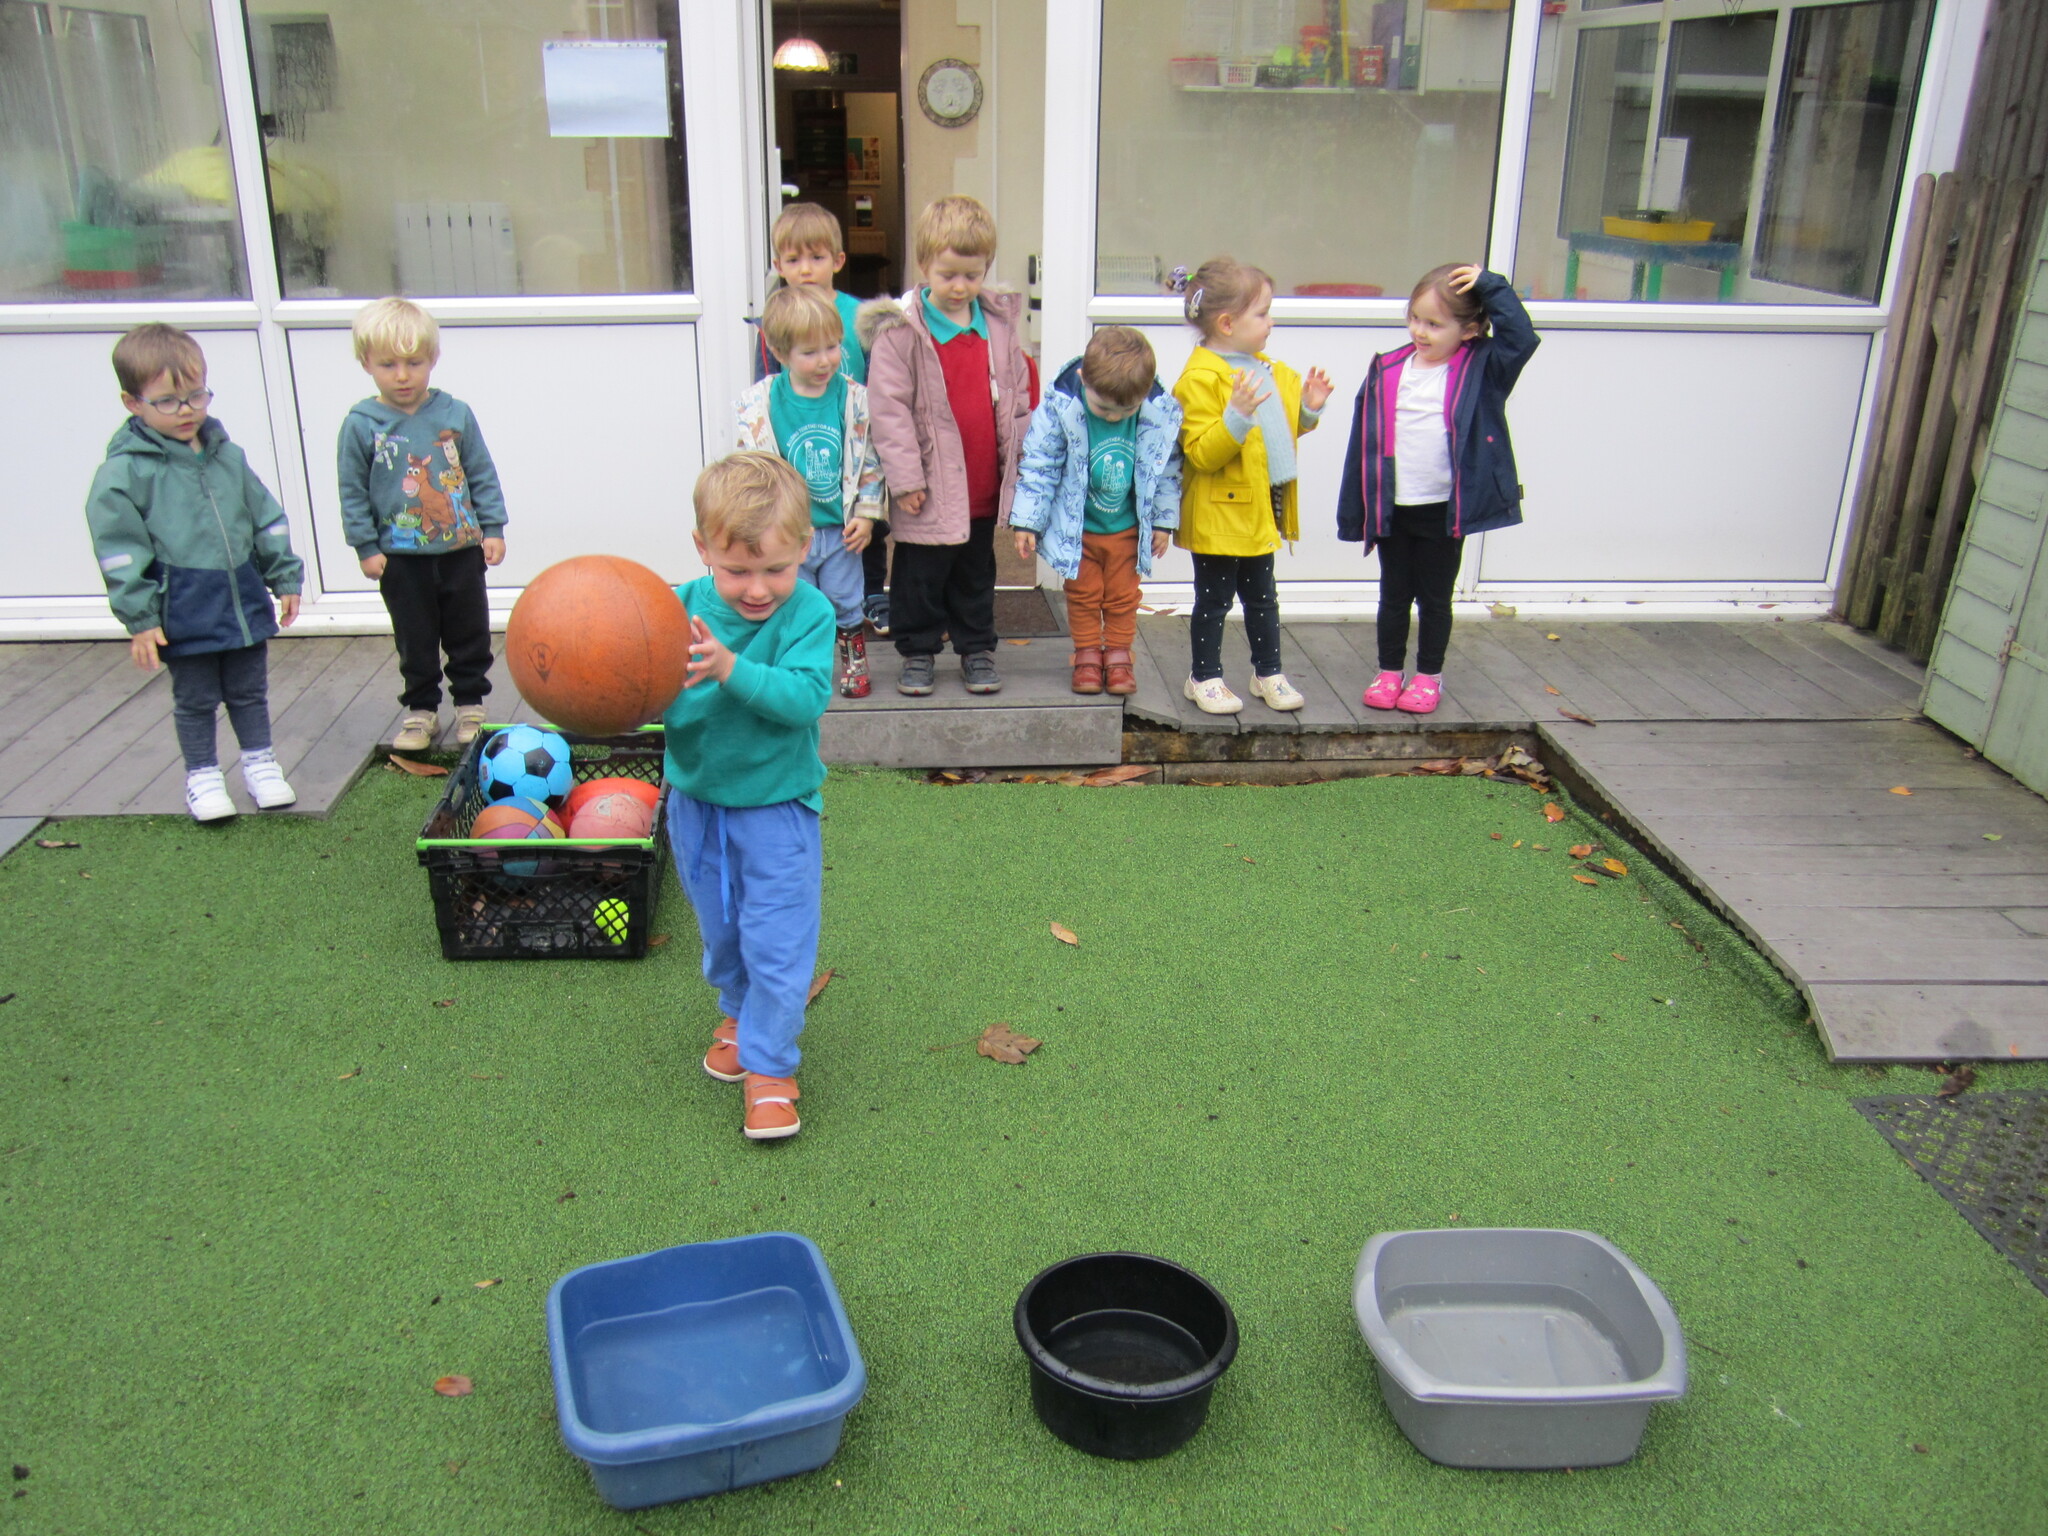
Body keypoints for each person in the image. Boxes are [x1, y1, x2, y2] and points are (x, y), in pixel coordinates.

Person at [664, 452, 836, 1142]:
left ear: (805, 546)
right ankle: (739, 1012)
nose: (758, 589)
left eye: (775, 569)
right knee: (721, 929)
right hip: (696, 801)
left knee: (777, 938)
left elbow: (804, 699)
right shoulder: (674, 608)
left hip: (776, 806)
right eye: (737, 571)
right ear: (702, 547)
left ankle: (770, 1066)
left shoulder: (809, 613)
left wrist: (730, 668)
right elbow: (645, 687)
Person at [85, 324, 304, 823]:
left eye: (196, 395)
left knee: (249, 690)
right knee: (196, 698)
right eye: (167, 401)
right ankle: (202, 776)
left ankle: (260, 764)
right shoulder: (124, 474)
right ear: (132, 403)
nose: (186, 410)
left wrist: (284, 576)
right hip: (182, 608)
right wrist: (140, 618)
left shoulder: (228, 456)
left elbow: (266, 517)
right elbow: (118, 550)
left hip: (241, 601)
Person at [1336, 264, 1538, 714]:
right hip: (1393, 508)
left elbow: (1521, 337)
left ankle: (1429, 676)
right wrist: (1358, 507)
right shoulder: (1388, 367)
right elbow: (1363, 444)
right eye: (1414, 318)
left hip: (1444, 510)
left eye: (1433, 324)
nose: (1420, 331)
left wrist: (1491, 286)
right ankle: (1389, 672)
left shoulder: (1483, 368)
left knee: (1434, 598)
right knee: (1393, 595)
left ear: (1470, 329)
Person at [865, 195, 1033, 697]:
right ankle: (917, 652)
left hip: (981, 478)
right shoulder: (901, 332)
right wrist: (905, 479)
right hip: (927, 484)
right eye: (948, 275)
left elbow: (1018, 398)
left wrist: (1020, 468)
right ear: (924, 266)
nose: (960, 286)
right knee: (919, 574)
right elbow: (889, 410)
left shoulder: (998, 326)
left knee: (975, 572)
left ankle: (976, 648)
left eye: (973, 275)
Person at [338, 297, 507, 750]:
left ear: (432, 359)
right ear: (366, 363)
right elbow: (351, 489)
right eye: (388, 364)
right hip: (400, 557)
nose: (402, 375)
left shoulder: (455, 414)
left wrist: (492, 527)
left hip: (460, 550)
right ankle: (421, 711)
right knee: (415, 637)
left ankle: (470, 705)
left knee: (469, 631)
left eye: (413, 363)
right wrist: (365, 546)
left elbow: (481, 472)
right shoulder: (361, 424)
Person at [1173, 256, 1332, 715]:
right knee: (1214, 600)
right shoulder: (1201, 379)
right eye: (1262, 313)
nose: (1271, 322)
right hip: (1220, 516)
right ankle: (1203, 677)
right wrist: (1237, 415)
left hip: (1259, 510)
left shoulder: (1264, 369)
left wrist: (1308, 410)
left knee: (1263, 598)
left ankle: (1268, 673)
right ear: (1227, 323)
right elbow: (1202, 453)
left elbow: (1272, 438)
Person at [1009, 326, 1182, 695]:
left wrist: (1163, 521)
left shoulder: (1157, 414)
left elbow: (1165, 470)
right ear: (1084, 378)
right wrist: (1027, 520)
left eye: (1127, 410)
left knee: (1123, 595)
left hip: (1127, 528)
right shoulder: (1062, 408)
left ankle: (1119, 655)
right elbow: (1040, 464)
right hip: (1079, 529)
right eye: (1104, 408)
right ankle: (1087, 654)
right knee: (1083, 593)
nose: (1115, 418)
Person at [735, 284, 886, 698]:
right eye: (810, 352)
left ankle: (852, 659)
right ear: (780, 352)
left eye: (832, 347)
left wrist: (866, 513)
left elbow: (870, 459)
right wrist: (762, 522)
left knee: (844, 598)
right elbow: (753, 467)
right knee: (790, 599)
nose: (825, 360)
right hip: (788, 532)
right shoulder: (761, 405)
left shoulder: (853, 399)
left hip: (839, 530)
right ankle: (798, 666)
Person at [756, 201, 893, 635]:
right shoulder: (776, 322)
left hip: (853, 434)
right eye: (794, 260)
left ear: (837, 260)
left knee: (864, 530)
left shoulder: (858, 315)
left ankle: (872, 595)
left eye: (816, 258)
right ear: (778, 266)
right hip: (806, 437)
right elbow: (766, 384)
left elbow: (881, 371)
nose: (806, 269)